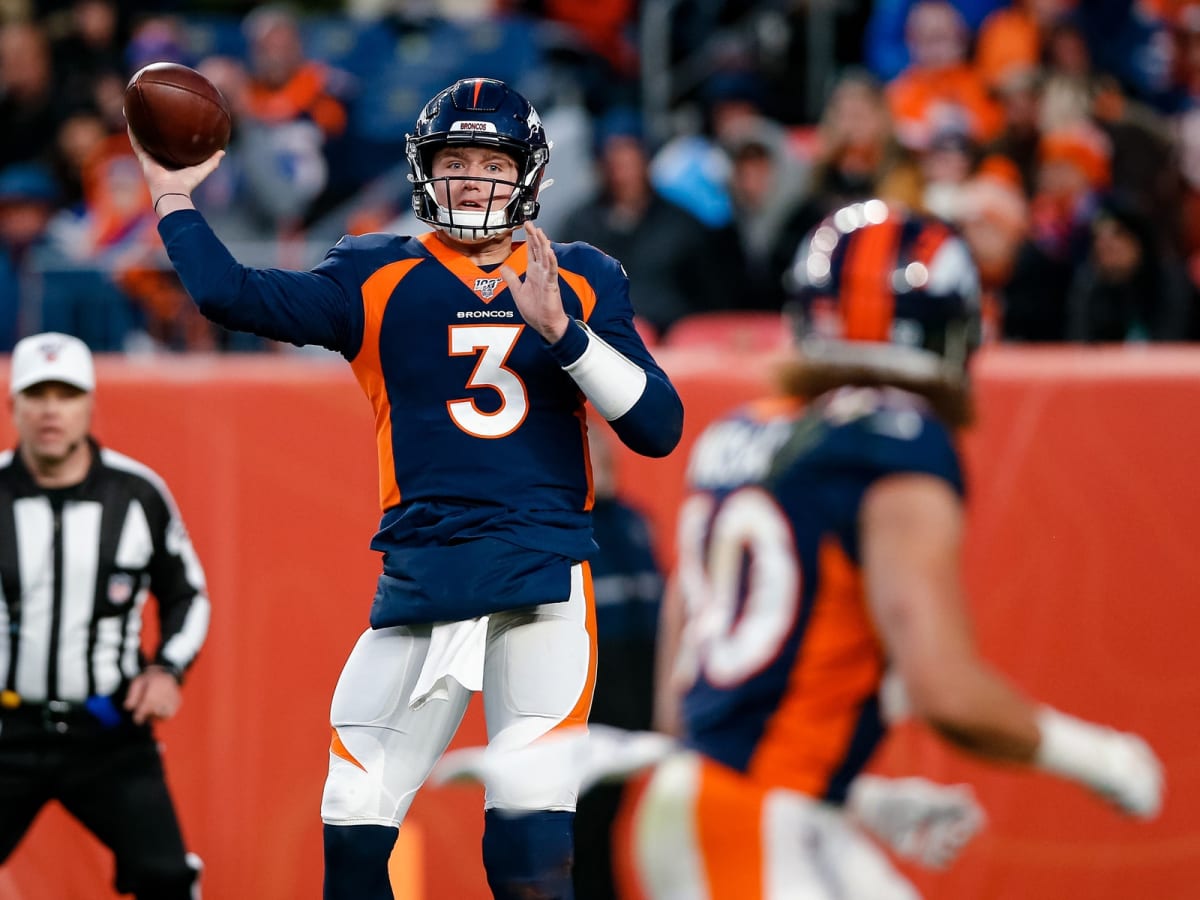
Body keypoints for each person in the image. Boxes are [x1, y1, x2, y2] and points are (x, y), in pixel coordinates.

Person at [130, 76, 684, 900]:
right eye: (452, 160)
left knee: (530, 846)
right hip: (423, 577)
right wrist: (173, 195)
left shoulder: (583, 277)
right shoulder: (374, 273)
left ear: (526, 173)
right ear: (425, 171)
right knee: (354, 825)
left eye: (489, 161)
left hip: (543, 581)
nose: (470, 178)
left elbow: (658, 427)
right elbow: (227, 294)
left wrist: (563, 334)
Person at [614, 201, 1163, 899]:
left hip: (706, 804)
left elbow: (687, 707)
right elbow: (945, 691)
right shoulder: (895, 440)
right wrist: (1102, 759)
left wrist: (852, 797)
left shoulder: (740, 434)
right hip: (750, 820)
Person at [0, 331, 210, 899]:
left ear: (89, 402)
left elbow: (187, 594)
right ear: (13, 403)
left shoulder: (137, 494)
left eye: (64, 394)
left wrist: (167, 669)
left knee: (167, 878)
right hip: (7, 728)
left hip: (109, 732)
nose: (50, 410)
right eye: (36, 394)